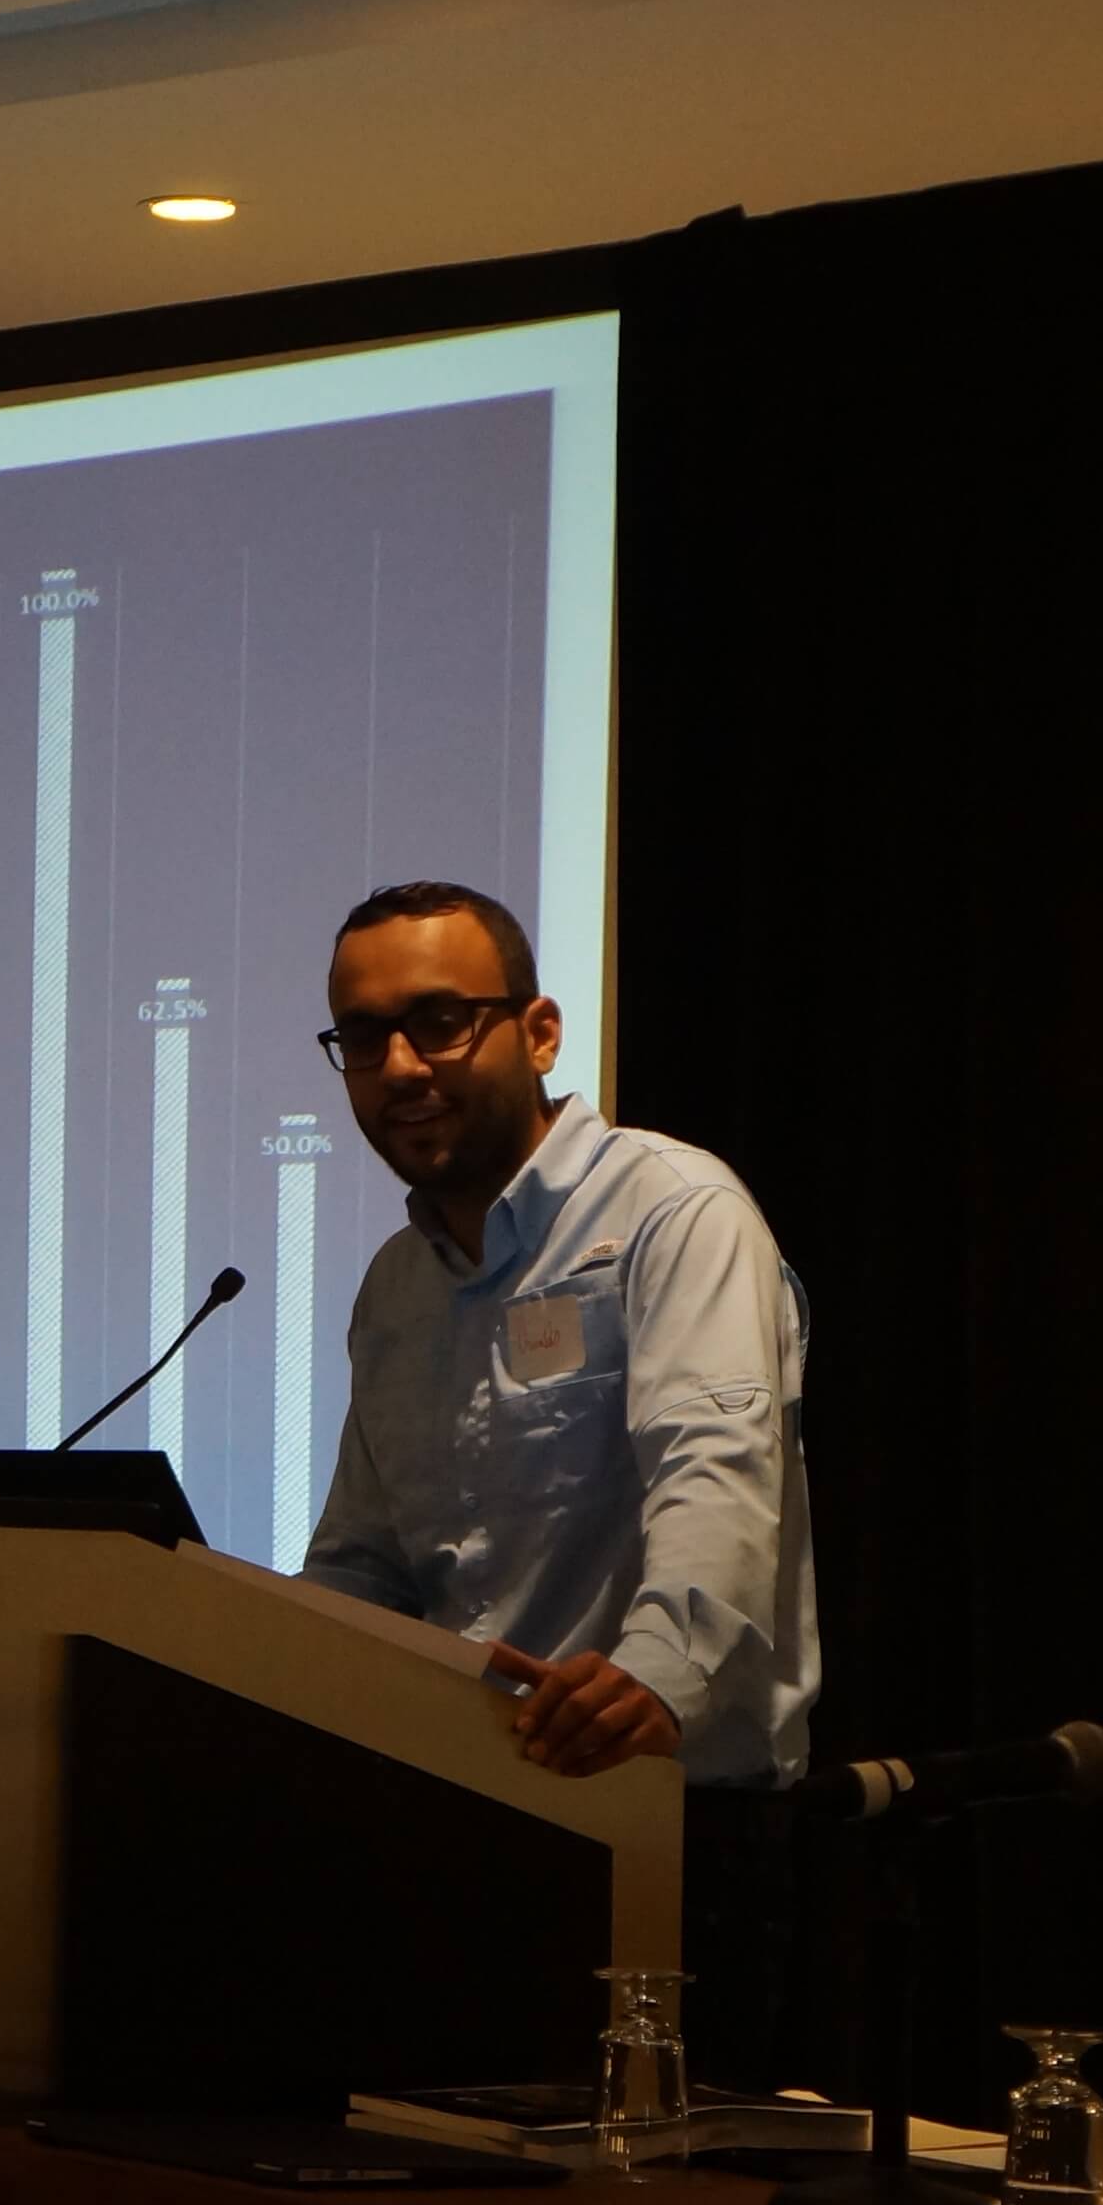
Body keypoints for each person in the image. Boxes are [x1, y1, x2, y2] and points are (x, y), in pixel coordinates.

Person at [293, 879, 826, 2073]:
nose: (400, 1066)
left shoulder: (673, 1212)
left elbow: (715, 1470)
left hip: (665, 1825)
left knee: (647, 2190)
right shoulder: (395, 1286)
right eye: (364, 1038)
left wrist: (653, 1678)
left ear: (538, 1033)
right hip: (460, 1825)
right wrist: (269, 1670)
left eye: (439, 1022)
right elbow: (365, 1565)